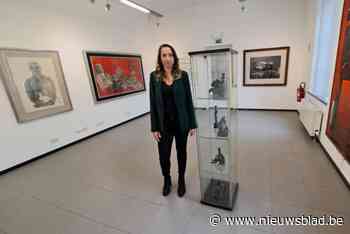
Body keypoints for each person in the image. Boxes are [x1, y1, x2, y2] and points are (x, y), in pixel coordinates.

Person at [149, 44, 198, 197]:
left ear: (174, 57)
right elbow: (153, 103)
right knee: (163, 156)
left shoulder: (182, 75)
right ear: (160, 58)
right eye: (164, 55)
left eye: (170, 55)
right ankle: (167, 179)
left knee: (181, 153)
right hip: (164, 125)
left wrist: (192, 123)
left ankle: (181, 180)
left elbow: (189, 100)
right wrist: (154, 127)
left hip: (181, 123)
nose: (167, 58)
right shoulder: (154, 77)